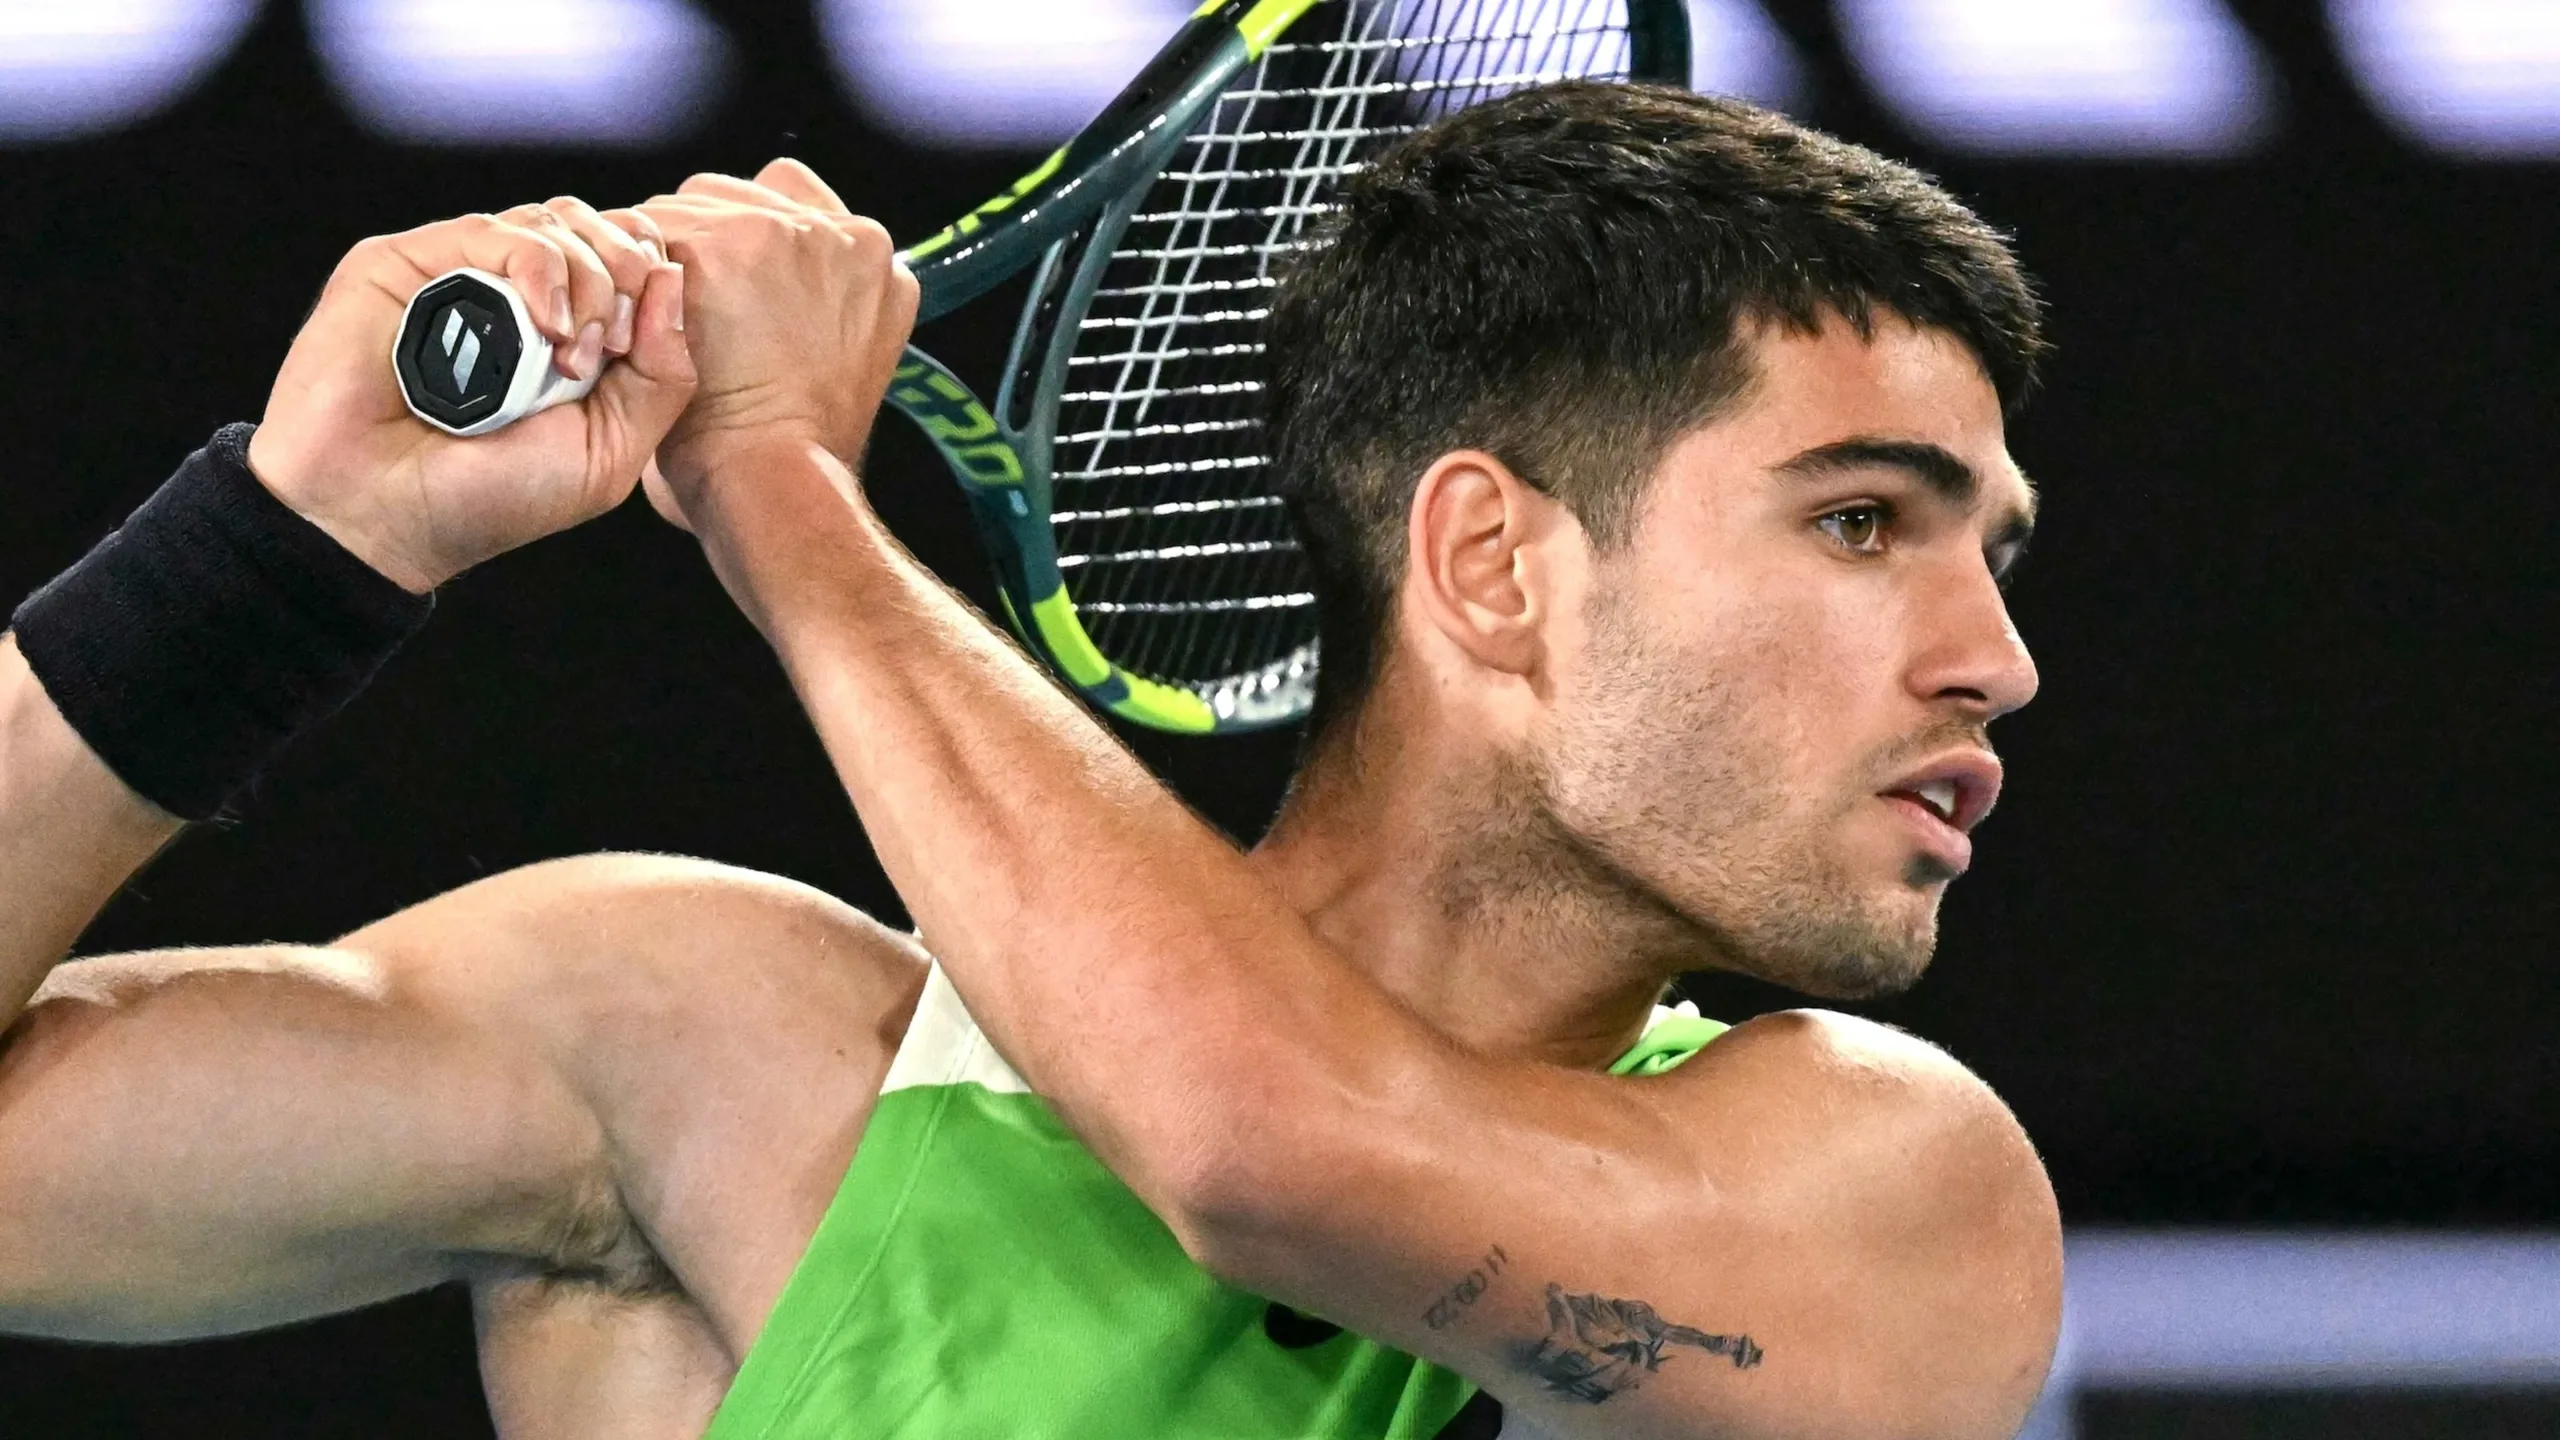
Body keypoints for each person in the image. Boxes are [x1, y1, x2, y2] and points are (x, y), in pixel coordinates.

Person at [0, 84, 2061, 1439]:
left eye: (1992, 553)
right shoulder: (698, 1048)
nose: (1994, 660)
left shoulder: (1896, 1196)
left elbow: (1268, 1155)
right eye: (1858, 521)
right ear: (1491, 567)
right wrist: (280, 549)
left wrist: (781, 492)